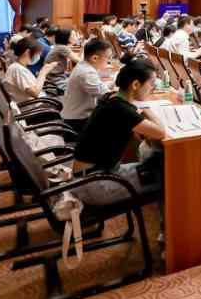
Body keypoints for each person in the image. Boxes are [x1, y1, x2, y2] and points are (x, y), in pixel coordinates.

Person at [71, 60, 166, 208]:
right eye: (151, 83)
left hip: (91, 175)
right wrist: (147, 109)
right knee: (167, 175)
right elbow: (160, 132)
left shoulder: (111, 98)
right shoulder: (122, 110)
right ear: (135, 85)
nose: (153, 88)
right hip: (95, 185)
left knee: (156, 161)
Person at [61, 38, 112, 133]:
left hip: (76, 116)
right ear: (95, 58)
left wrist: (113, 84)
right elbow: (106, 95)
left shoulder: (84, 65)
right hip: (77, 121)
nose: (109, 61)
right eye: (108, 58)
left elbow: (100, 87)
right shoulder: (87, 73)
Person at [4, 37, 59, 103]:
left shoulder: (19, 67)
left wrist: (41, 75)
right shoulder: (17, 70)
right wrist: (43, 73)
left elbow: (33, 86)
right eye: (37, 53)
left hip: (39, 102)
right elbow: (35, 93)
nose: (38, 56)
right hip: (36, 106)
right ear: (27, 52)